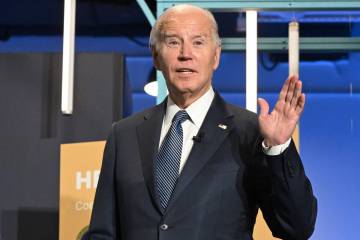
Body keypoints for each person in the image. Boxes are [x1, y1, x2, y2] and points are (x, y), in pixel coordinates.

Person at [84, 4, 317, 240]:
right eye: (174, 42)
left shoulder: (249, 132)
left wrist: (277, 148)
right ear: (156, 56)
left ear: (215, 56)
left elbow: (296, 227)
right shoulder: (123, 135)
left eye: (198, 42)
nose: (186, 53)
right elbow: (102, 233)